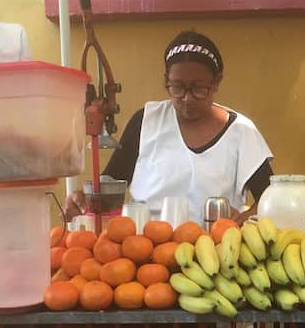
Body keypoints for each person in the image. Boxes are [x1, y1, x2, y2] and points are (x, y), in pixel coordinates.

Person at [65, 30, 274, 224]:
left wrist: (245, 218)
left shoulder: (241, 132)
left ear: (217, 82)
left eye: (199, 88)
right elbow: (111, 186)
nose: (187, 98)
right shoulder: (146, 121)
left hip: (215, 253)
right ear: (166, 81)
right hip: (145, 251)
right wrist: (83, 200)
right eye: (177, 87)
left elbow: (271, 198)